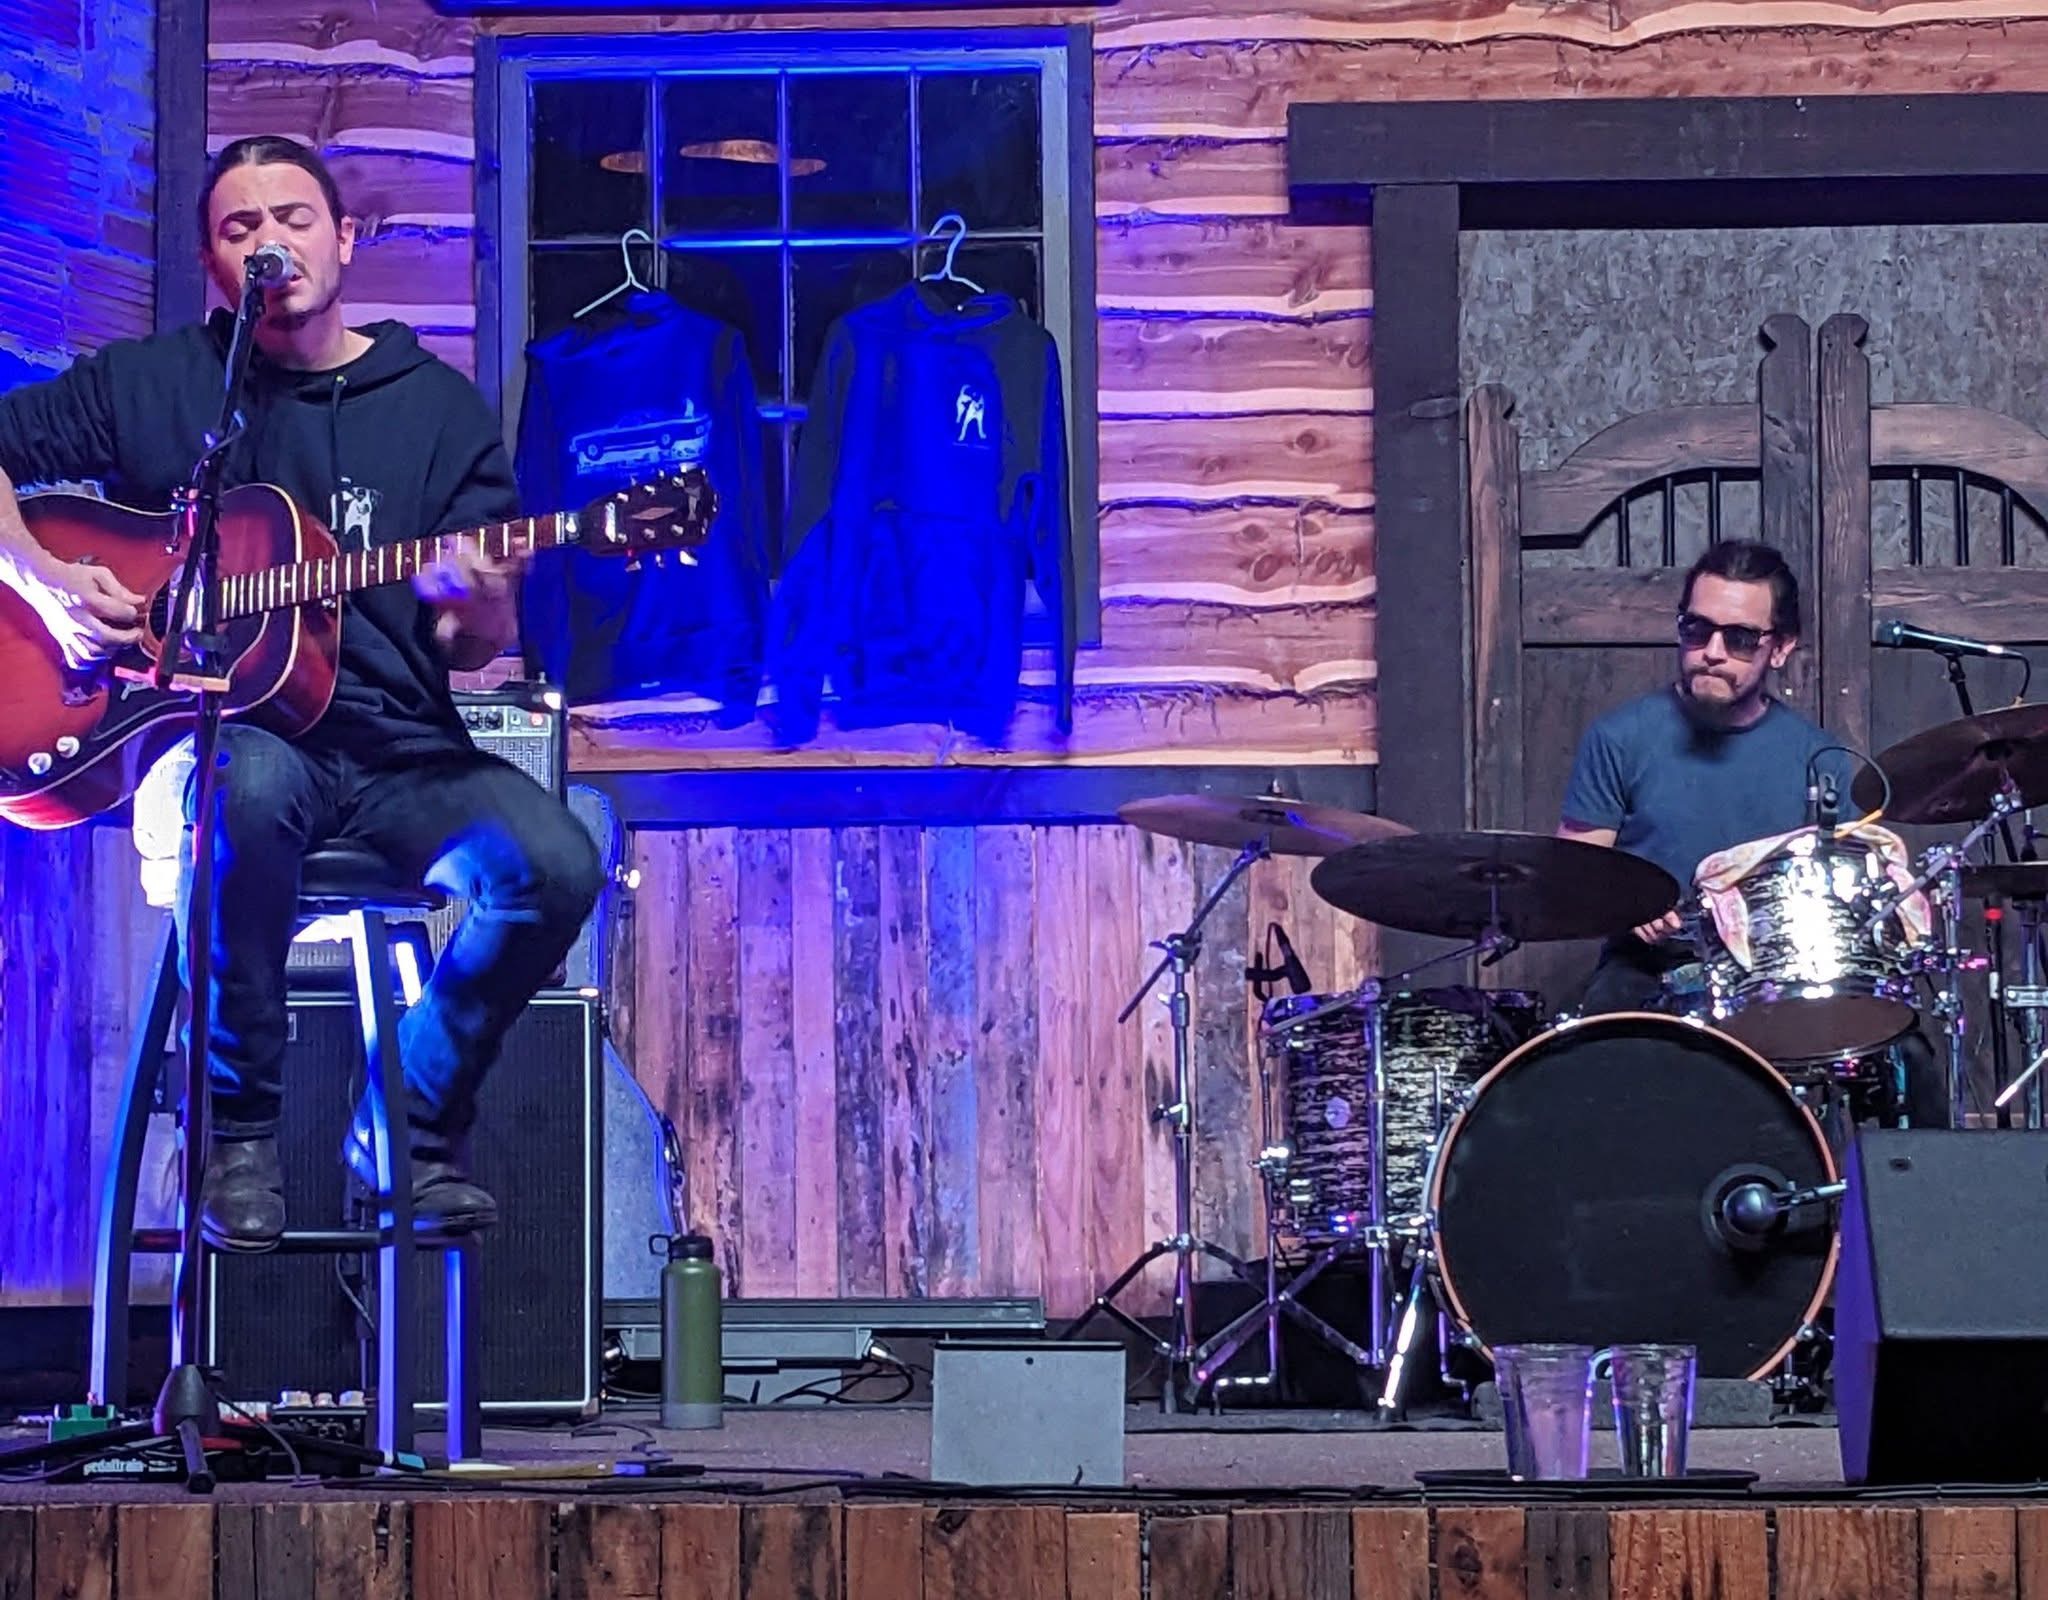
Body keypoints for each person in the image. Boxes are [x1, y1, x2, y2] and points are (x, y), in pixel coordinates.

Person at [0, 136, 603, 1250]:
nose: (270, 242)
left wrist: (484, 594)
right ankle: (237, 1134)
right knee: (247, 785)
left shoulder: (434, 407)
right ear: (214, 267)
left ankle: (411, 1124)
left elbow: (469, 645)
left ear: (343, 240)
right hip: (225, 735)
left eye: (291, 218)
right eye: (240, 230)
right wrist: (43, 579)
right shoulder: (159, 386)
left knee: (555, 864)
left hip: (399, 752)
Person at [1556, 539, 1947, 1127]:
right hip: (1651, 971)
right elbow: (1570, 876)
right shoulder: (1619, 739)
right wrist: (1622, 904)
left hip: (1774, 978)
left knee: (1909, 1056)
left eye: (1739, 638)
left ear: (1781, 647)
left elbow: (1841, 899)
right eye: (1696, 629)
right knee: (1592, 1045)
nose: (1712, 652)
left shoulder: (1819, 758)